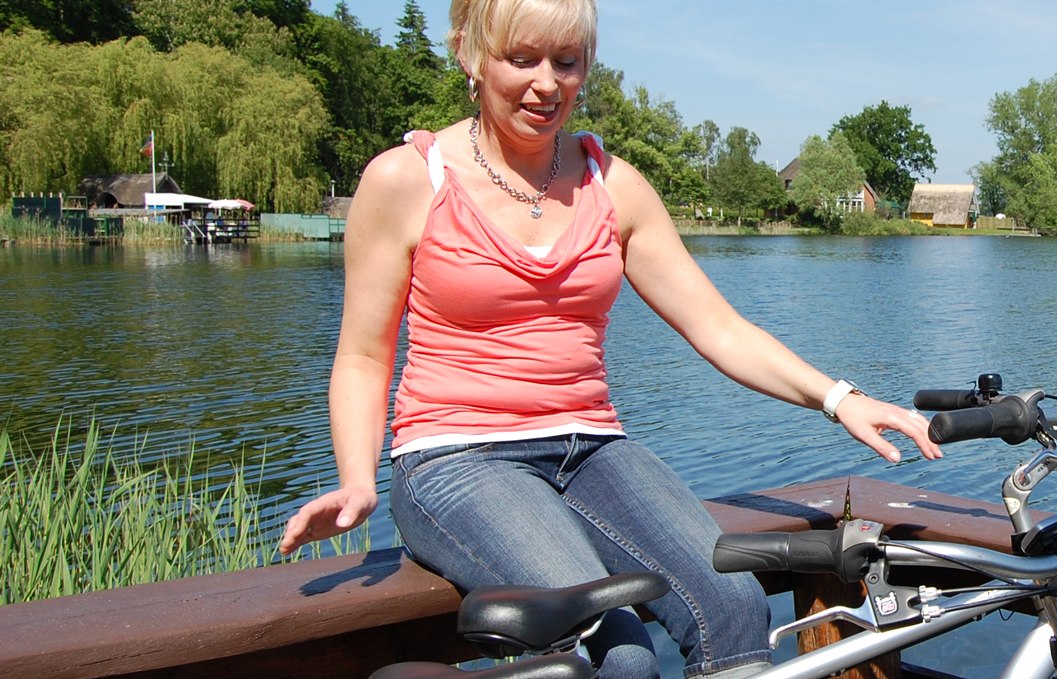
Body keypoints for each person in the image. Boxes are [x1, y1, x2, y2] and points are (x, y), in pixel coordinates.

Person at [274, 1, 941, 677]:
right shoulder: (408, 180)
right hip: (455, 458)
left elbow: (718, 326)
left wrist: (840, 397)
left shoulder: (611, 183)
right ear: (469, 54)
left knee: (735, 604)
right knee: (617, 653)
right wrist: (356, 478)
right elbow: (363, 354)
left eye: (566, 63)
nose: (546, 84)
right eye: (522, 59)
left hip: (592, 449)